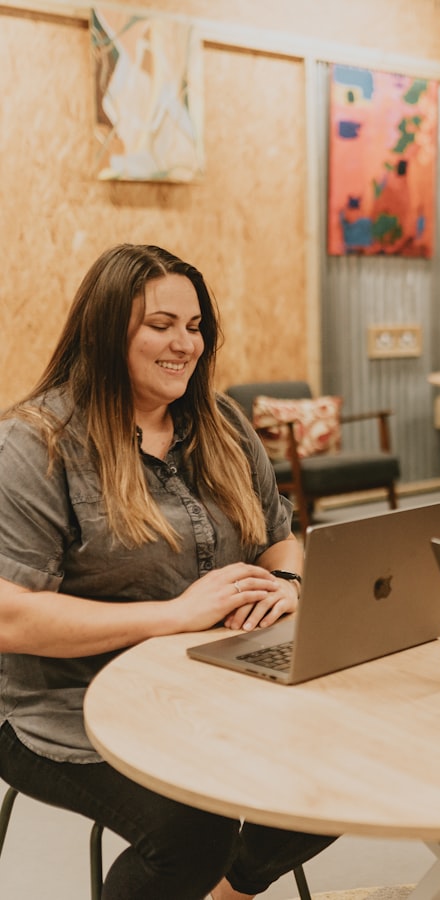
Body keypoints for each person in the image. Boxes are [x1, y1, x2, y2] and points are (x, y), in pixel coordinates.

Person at [0, 245, 336, 900]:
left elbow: (278, 536)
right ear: (105, 332)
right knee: (192, 833)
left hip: (213, 681)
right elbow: (9, 618)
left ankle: (225, 894)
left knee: (350, 759)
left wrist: (287, 586)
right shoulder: (34, 444)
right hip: (66, 706)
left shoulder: (223, 424)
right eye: (161, 325)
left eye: (195, 325)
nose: (185, 343)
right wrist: (176, 615)